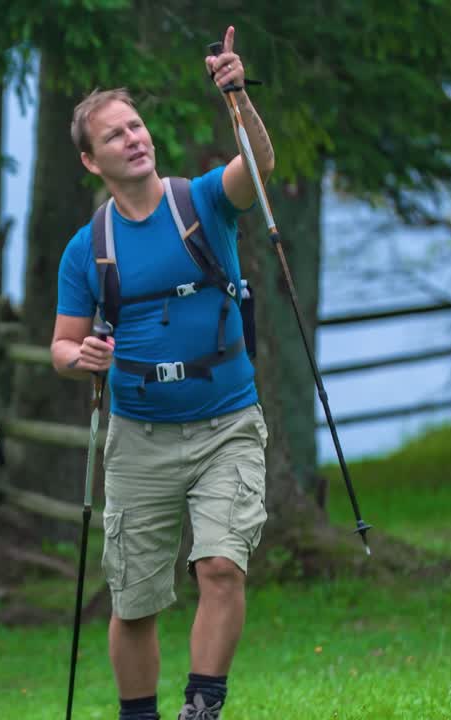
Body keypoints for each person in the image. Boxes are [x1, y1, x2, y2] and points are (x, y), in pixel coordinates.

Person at [50, 27, 273, 720]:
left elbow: (258, 166)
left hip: (227, 422)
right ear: (92, 161)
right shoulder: (88, 249)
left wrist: (236, 93)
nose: (134, 139)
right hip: (139, 437)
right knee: (135, 600)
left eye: (136, 126)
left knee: (221, 566)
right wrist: (78, 357)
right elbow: (62, 344)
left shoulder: (201, 201)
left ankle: (202, 708)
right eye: (115, 136)